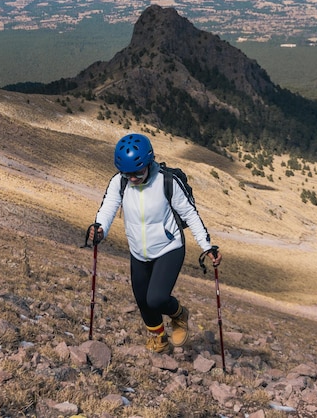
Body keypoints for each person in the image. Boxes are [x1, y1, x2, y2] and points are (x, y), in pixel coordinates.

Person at [88, 132, 222, 353]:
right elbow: (109, 206)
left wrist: (207, 246)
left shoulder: (167, 182)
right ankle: (159, 338)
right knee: (142, 300)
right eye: (127, 173)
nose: (132, 178)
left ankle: (179, 314)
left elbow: (190, 214)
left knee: (157, 299)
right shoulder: (119, 182)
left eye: (137, 172)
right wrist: (100, 228)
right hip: (138, 251)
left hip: (169, 247)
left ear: (149, 162)